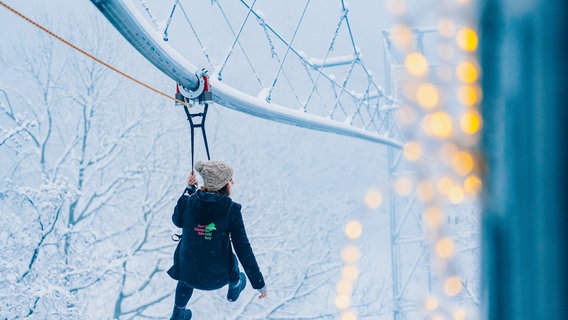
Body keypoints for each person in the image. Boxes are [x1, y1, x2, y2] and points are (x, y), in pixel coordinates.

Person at [168, 160, 268, 320]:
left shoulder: (188, 202)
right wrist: (259, 283)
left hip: (189, 276)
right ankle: (235, 286)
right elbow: (243, 249)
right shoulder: (231, 210)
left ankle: (178, 312)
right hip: (219, 278)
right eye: (230, 179)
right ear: (223, 185)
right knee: (232, 257)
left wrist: (188, 191)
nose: (232, 182)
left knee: (187, 267)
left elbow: (177, 220)